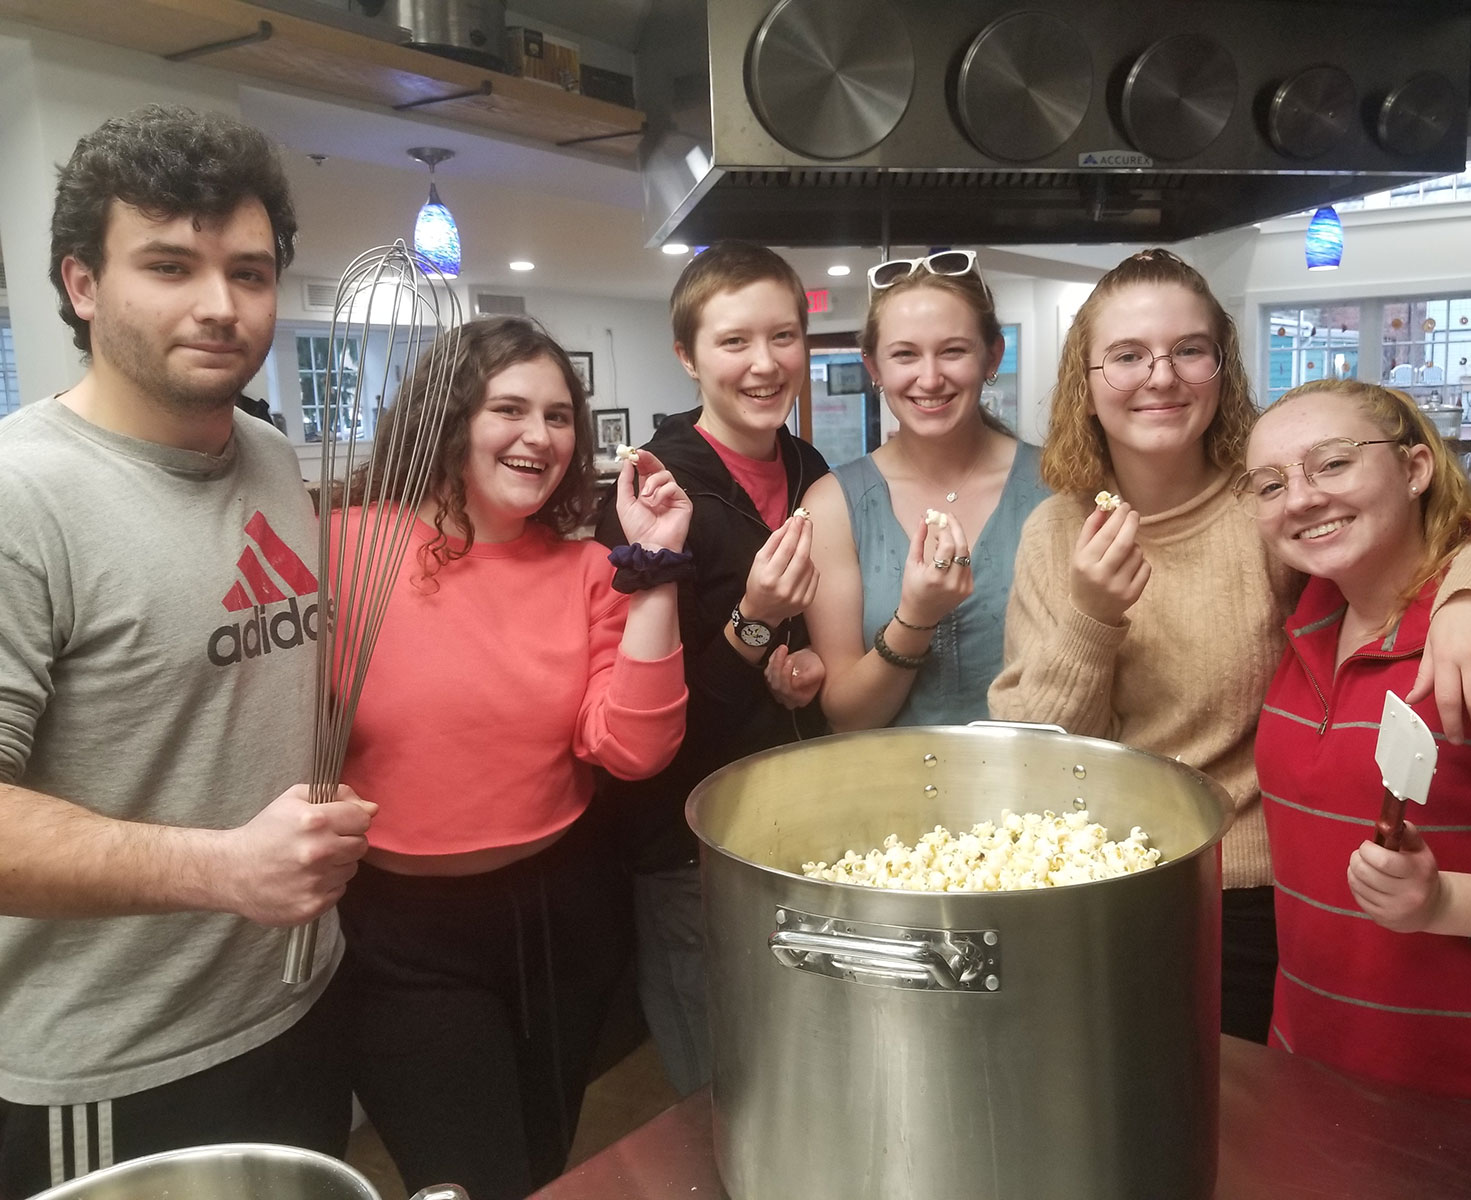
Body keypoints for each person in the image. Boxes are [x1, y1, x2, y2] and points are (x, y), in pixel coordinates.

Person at [988, 248, 1471, 1045]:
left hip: (1260, 891)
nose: (1161, 377)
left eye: (1189, 351)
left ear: (1222, 365)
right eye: (1128, 356)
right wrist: (1092, 617)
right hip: (1105, 883)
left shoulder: (1273, 506)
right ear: (1087, 378)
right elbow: (1035, 750)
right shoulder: (1057, 531)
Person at [0, 106, 373, 1195]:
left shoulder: (264, 454)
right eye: (169, 265)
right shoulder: (23, 497)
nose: (220, 306)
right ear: (81, 284)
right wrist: (222, 869)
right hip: (116, 1065)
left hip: (297, 1004)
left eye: (249, 273)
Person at [332, 316, 690, 1199]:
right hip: (402, 935)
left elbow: (634, 749)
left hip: (563, 915)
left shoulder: (592, 569)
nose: (541, 437)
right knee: (472, 1179)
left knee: (537, 1166)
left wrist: (654, 568)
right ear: (450, 417)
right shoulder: (344, 549)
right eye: (511, 409)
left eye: (560, 416)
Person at [1246, 379, 1471, 1141]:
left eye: (1332, 464)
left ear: (1414, 470)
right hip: (1324, 1084)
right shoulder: (1303, 626)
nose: (1300, 498)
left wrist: (1449, 904)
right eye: (1271, 485)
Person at [594, 240, 831, 1097]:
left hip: (805, 821)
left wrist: (805, 663)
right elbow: (648, 722)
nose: (765, 365)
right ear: (686, 356)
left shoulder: (812, 470)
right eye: (734, 342)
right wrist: (756, 626)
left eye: (784, 337)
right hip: (690, 844)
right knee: (725, 1087)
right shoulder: (648, 495)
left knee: (810, 1068)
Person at [803, 250, 1051, 729]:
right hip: (891, 792)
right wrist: (915, 618)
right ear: (874, 368)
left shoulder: (1057, 488)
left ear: (992, 356)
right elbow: (848, 715)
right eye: (905, 355)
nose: (930, 377)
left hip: (1035, 790)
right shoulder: (833, 505)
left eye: (953, 350)